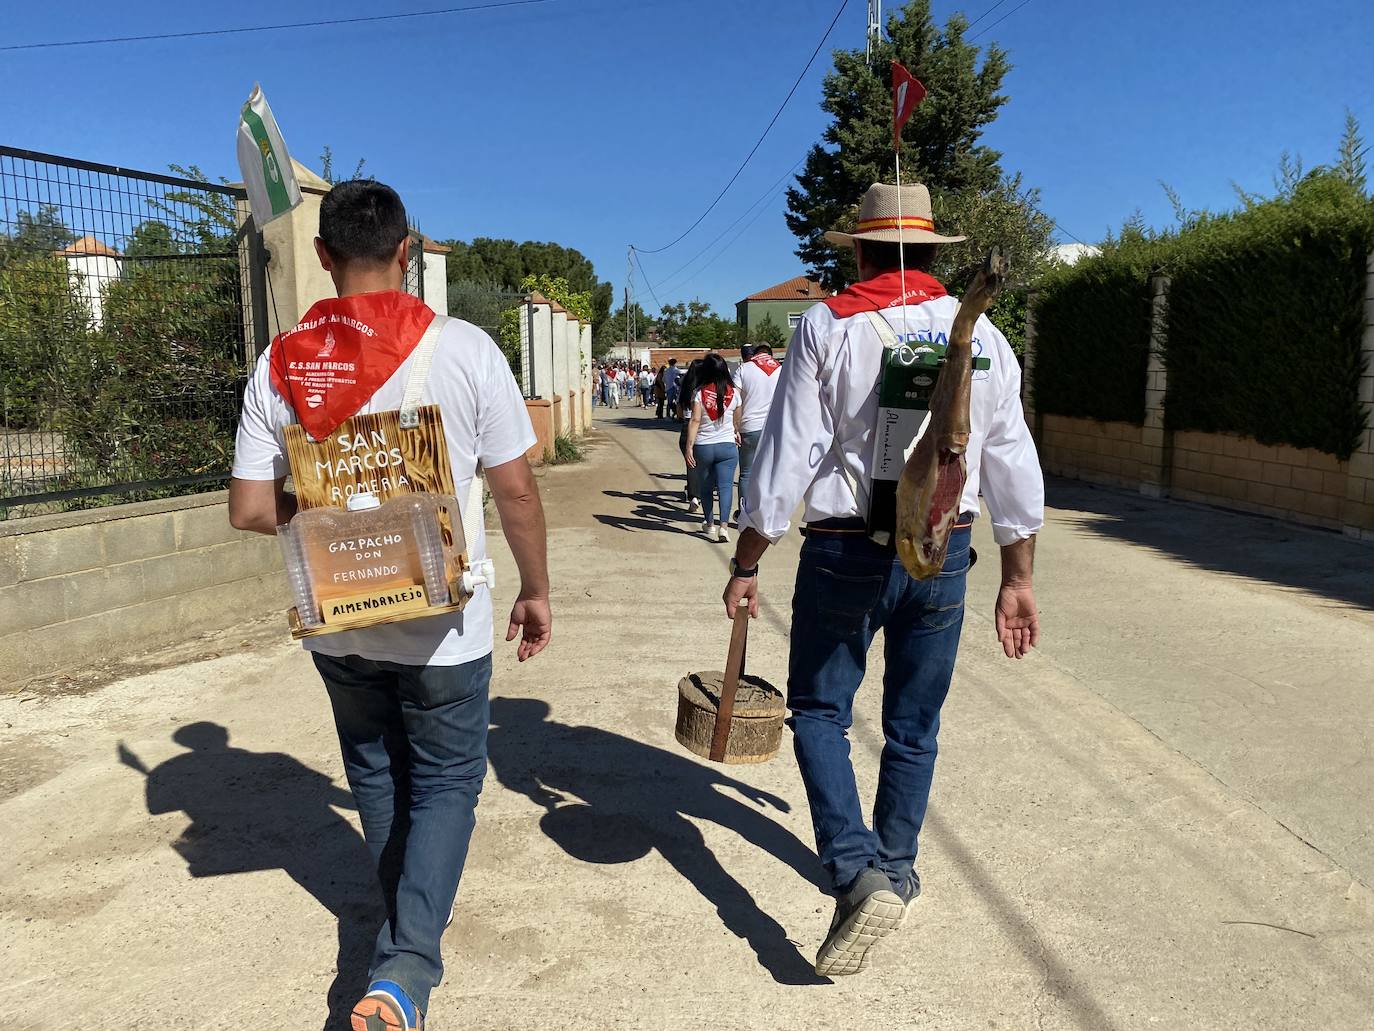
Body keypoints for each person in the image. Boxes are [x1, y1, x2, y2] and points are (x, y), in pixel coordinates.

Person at [228, 179, 553, 1030]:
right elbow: (515, 489)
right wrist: (537, 587)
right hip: (445, 626)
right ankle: (404, 970)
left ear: (324, 256)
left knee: (376, 771)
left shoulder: (281, 362)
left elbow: (252, 509)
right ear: (406, 253)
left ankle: (402, 937)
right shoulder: (465, 348)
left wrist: (334, 513)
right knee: (446, 781)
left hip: (339, 623)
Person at [724, 182, 1043, 977]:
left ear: (859, 251)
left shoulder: (828, 327)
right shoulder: (989, 340)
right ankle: (896, 866)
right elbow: (1012, 463)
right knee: (914, 725)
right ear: (934, 254)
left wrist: (748, 558)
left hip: (846, 551)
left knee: (821, 711)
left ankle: (857, 871)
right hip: (946, 551)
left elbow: (787, 457)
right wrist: (1019, 577)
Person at [685, 353, 742, 543]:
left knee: (706, 486)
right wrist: (736, 432)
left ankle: (709, 523)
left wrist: (689, 447)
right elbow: (737, 420)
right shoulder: (734, 393)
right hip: (727, 445)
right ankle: (724, 527)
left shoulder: (699, 393)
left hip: (704, 446)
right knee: (726, 487)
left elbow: (695, 420)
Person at [733, 342, 781, 521]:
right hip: (774, 428)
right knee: (769, 472)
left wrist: (735, 427)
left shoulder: (744, 369)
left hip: (749, 427)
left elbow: (735, 399)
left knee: (746, 473)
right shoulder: (780, 369)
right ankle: (767, 514)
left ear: (754, 354)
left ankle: (744, 514)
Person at [676, 358, 704, 513]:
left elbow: (679, 411)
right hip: (703, 426)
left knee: (691, 463)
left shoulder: (685, 386)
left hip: (687, 425)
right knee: (704, 464)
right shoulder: (705, 388)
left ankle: (694, 495)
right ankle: (701, 492)